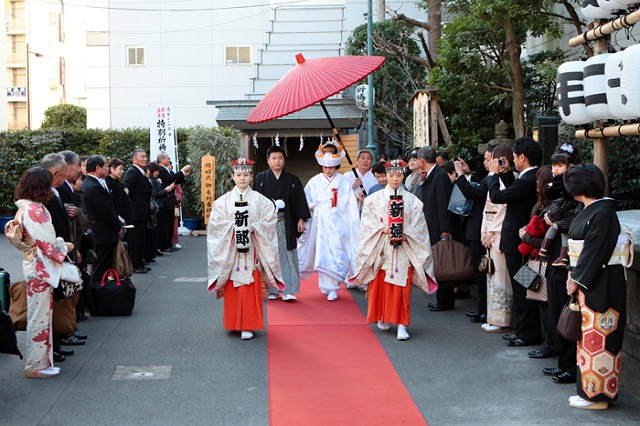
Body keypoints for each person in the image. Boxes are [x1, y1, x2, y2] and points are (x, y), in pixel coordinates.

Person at [349, 160, 437, 340]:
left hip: (404, 249)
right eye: (391, 175)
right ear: (385, 176)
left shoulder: (413, 201)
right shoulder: (374, 199)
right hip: (382, 248)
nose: (394, 179)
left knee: (401, 289)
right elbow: (367, 224)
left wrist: (406, 233)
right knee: (381, 286)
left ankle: (402, 325)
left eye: (398, 175)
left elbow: (419, 226)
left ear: (403, 175)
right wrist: (382, 229)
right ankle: (383, 316)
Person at [565, 163, 629, 410]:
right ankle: (588, 392)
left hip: (602, 284)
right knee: (589, 338)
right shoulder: (596, 210)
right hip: (593, 280)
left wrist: (576, 279)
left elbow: (594, 252)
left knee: (600, 337)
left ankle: (597, 396)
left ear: (576, 190)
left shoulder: (602, 213)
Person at [206, 158, 284, 340]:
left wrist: (253, 227)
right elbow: (216, 225)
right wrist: (233, 228)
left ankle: (248, 324)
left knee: (250, 288)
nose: (242, 178)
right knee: (234, 287)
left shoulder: (262, 201)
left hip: (252, 250)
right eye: (239, 175)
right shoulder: (222, 202)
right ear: (233, 177)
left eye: (246, 175)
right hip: (232, 250)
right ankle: (233, 323)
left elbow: (270, 221)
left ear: (252, 177)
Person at [14, 167, 73, 377]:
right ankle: (36, 365)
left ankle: (42, 362)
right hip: (39, 266)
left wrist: (58, 245)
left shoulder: (32, 207)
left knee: (43, 315)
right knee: (39, 317)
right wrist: (63, 246)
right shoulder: (32, 210)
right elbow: (44, 242)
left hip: (39, 265)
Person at [488, 137, 542, 347]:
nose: (511, 160)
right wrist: (506, 173)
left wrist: (493, 175)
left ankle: (527, 332)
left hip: (517, 242)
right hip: (518, 241)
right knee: (523, 286)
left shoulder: (528, 180)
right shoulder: (529, 177)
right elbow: (514, 191)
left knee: (523, 287)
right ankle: (524, 330)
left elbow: (499, 197)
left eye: (513, 157)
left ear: (522, 157)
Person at [297, 140, 360, 301]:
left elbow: (349, 203)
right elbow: (306, 200)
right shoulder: (314, 181)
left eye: (331, 167)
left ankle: (333, 287)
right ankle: (326, 286)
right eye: (325, 167)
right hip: (320, 223)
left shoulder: (343, 182)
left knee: (337, 253)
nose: (328, 170)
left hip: (339, 222)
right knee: (322, 252)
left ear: (336, 166)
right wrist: (315, 209)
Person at [253, 145, 311, 301]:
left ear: (284, 160)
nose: (277, 161)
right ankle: (272, 289)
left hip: (286, 222)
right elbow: (255, 202)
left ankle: (289, 290)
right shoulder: (260, 179)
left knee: (288, 255)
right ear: (268, 160)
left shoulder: (293, 179)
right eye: (274, 158)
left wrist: (300, 219)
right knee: (269, 255)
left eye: (280, 158)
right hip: (267, 224)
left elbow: (300, 200)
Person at [479, 144, 515, 332]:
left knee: (502, 278)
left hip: (499, 235)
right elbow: (487, 209)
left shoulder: (508, 182)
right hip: (491, 233)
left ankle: (502, 320)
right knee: (492, 277)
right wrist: (484, 231)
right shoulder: (494, 181)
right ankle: (493, 318)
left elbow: (503, 211)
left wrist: (491, 232)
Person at [454, 147, 492, 324]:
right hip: (477, 228)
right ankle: (482, 308)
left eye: (487, 159)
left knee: (484, 272)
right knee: (480, 272)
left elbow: (471, 193)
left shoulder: (495, 179)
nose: (484, 162)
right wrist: (467, 174)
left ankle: (486, 310)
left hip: (482, 230)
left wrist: (460, 175)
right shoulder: (489, 178)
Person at [417, 146, 456, 311]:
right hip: (432, 224)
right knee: (437, 262)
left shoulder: (439, 175)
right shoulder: (432, 174)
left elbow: (443, 203)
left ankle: (445, 300)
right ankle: (442, 298)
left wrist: (445, 228)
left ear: (422, 160)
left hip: (439, 226)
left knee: (442, 262)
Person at [82, 156, 124, 286]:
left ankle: (103, 294)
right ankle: (97, 297)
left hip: (104, 231)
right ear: (97, 168)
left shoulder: (96, 182)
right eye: (105, 165)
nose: (107, 168)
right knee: (101, 267)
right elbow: (105, 211)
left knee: (105, 266)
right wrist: (118, 227)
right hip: (102, 232)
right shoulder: (93, 185)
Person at [540, 142, 583, 268]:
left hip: (565, 214)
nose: (555, 169)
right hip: (567, 216)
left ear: (570, 166)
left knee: (562, 231)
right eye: (554, 166)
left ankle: (555, 254)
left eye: (560, 165)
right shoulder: (564, 181)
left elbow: (552, 196)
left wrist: (551, 216)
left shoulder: (567, 183)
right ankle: (555, 254)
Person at [124, 149, 152, 274]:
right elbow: (126, 189)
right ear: (134, 159)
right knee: (136, 239)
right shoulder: (133, 172)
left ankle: (139, 262)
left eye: (146, 156)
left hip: (142, 211)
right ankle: (135, 264)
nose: (145, 159)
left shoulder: (140, 172)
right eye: (142, 157)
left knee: (141, 238)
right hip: (136, 212)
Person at [156, 153, 191, 252]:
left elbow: (175, 179)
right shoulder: (161, 170)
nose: (169, 160)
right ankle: (165, 245)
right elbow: (171, 179)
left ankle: (169, 243)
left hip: (171, 200)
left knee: (170, 223)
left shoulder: (167, 170)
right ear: (162, 159)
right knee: (165, 224)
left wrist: (183, 175)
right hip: (165, 199)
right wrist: (182, 170)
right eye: (167, 158)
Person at [105, 158, 131, 229]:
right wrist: (125, 194)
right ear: (112, 169)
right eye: (120, 169)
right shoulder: (108, 183)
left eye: (123, 169)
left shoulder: (118, 183)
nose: (122, 171)